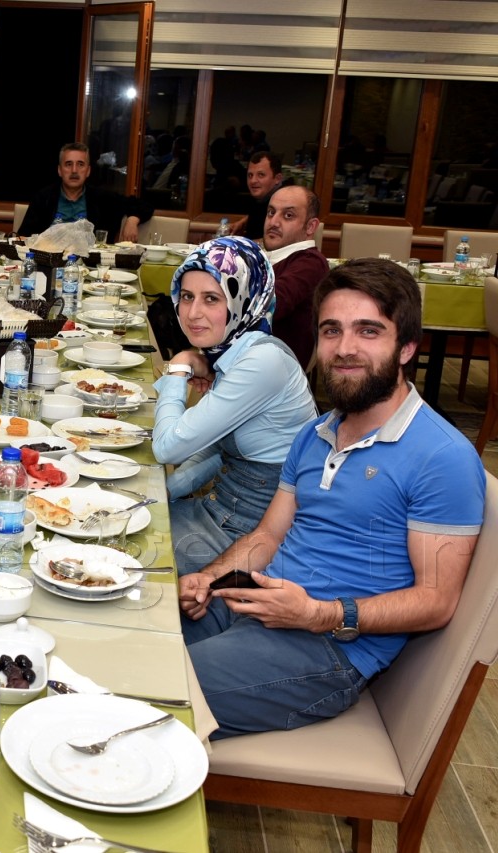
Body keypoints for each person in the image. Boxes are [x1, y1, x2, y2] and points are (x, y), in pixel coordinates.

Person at [179, 258, 486, 739]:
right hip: (257, 602)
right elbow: (268, 535)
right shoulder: (315, 433)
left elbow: (436, 600)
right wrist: (209, 579)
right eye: (331, 331)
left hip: (329, 648)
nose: (344, 349)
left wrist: (320, 614)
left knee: (154, 688)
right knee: (131, 639)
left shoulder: (442, 456)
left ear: (407, 347)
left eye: (368, 331)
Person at [154, 237, 317, 573]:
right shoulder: (237, 350)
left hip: (250, 537)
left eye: (211, 298)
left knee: (126, 551)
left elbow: (167, 448)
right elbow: (214, 450)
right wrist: (161, 495)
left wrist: (179, 367)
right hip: (221, 513)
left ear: (244, 300)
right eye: (187, 296)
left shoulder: (261, 363)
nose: (193, 313)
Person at [17, 142, 153, 242]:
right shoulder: (43, 198)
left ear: (88, 171)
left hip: (91, 266)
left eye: (80, 164)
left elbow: (145, 205)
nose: (74, 170)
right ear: (59, 170)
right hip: (49, 263)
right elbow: (23, 236)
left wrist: (132, 220)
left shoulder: (103, 198)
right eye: (68, 164)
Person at [262, 185, 329, 367]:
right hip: (249, 359)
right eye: (271, 212)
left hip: (274, 370)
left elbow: (271, 304)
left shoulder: (310, 263)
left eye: (288, 215)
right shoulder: (272, 257)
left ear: (310, 226)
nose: (274, 222)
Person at [231, 151, 287, 239]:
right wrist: (244, 221)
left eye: (261, 175)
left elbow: (276, 241)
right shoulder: (262, 196)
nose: (253, 181)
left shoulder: (284, 204)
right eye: (250, 175)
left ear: (277, 178)